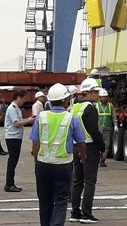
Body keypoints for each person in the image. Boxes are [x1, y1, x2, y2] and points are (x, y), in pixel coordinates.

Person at [30, 83, 87, 226]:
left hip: (43, 164)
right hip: (63, 166)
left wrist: (37, 159)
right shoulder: (71, 118)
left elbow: (35, 142)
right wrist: (83, 156)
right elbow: (81, 143)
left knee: (45, 201)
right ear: (65, 100)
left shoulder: (41, 117)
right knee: (61, 201)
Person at [70, 78, 106, 223]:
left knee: (77, 180)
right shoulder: (90, 108)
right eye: (96, 92)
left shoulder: (75, 107)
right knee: (90, 181)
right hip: (89, 147)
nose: (98, 95)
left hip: (75, 146)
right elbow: (93, 130)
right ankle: (86, 213)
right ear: (88, 93)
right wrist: (102, 147)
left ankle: (75, 212)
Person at [4, 90, 36, 192]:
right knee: (12, 161)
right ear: (18, 97)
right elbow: (16, 123)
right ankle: (9, 184)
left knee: (14, 160)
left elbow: (20, 120)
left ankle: (10, 183)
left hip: (16, 137)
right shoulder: (12, 108)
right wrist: (30, 120)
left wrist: (29, 118)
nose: (24, 101)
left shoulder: (16, 108)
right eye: (24, 98)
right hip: (12, 137)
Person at [96, 89, 116, 167]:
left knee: (106, 145)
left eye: (105, 97)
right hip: (98, 128)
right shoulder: (96, 105)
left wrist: (116, 125)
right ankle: (98, 159)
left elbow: (113, 116)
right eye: (102, 97)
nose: (104, 98)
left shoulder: (110, 106)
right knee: (98, 145)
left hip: (107, 128)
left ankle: (103, 160)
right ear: (100, 97)